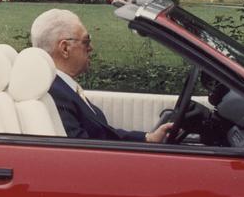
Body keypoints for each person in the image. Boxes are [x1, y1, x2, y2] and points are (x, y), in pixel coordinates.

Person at [31, 9, 172, 142]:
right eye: (86, 42)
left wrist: (147, 138)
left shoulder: (62, 87)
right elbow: (82, 150)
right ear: (65, 48)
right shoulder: (56, 94)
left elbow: (101, 134)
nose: (91, 48)